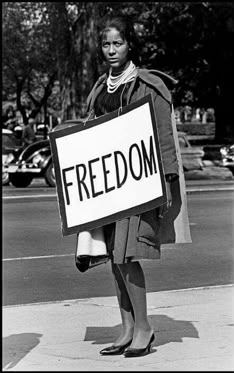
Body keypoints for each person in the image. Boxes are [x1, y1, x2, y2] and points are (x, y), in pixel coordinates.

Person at [76, 15, 187, 358]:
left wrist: (168, 184)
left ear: (129, 45)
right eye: (106, 44)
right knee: (113, 257)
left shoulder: (149, 86)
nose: (111, 50)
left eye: (118, 43)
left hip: (140, 184)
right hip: (107, 188)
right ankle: (126, 329)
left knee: (127, 255)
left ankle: (144, 328)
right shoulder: (99, 88)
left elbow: (165, 141)